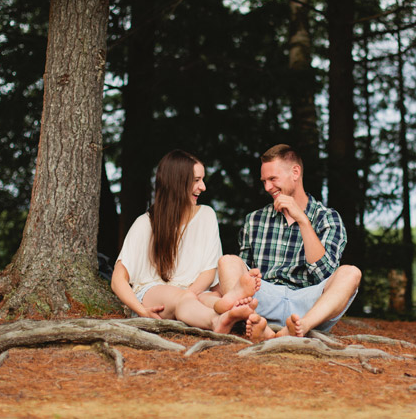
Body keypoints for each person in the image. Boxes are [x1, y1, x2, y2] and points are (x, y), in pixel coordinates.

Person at [217, 144, 362, 341]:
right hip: (264, 299)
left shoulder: (327, 218)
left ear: (295, 172)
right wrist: (251, 276)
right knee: (227, 261)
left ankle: (301, 327)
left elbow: (326, 274)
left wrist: (302, 220)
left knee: (351, 273)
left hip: (307, 303)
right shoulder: (255, 219)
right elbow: (243, 282)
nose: (268, 187)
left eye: (273, 179)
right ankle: (256, 323)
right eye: (264, 181)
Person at [111, 150, 257, 333]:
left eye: (202, 179)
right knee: (183, 298)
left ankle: (234, 311)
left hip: (195, 293)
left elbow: (209, 270)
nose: (203, 187)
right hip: (152, 293)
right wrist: (141, 311)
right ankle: (216, 321)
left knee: (209, 299)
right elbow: (117, 280)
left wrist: (192, 292)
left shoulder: (206, 215)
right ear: (177, 183)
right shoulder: (145, 224)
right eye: (196, 180)